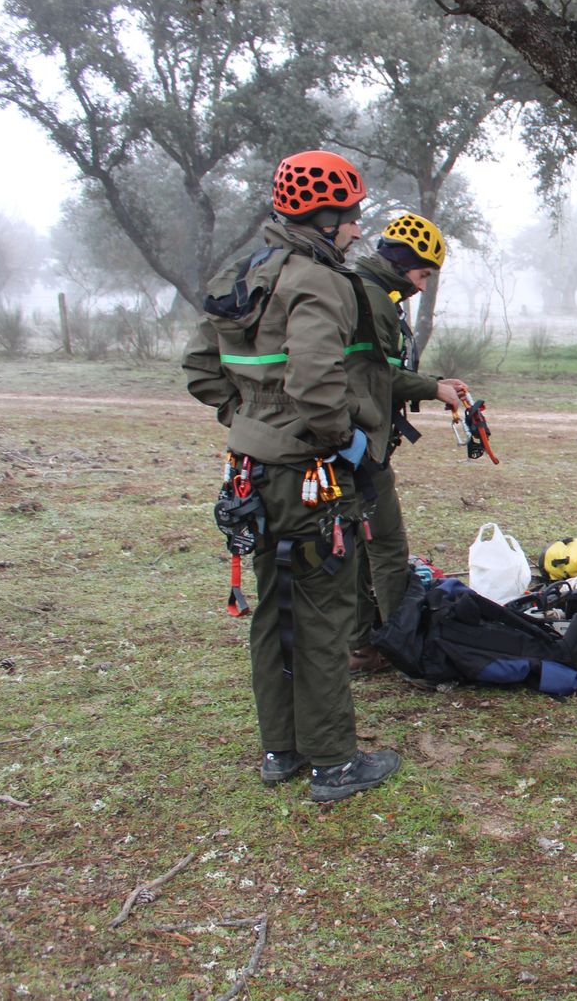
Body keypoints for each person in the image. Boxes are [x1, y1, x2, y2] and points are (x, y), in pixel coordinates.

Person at [183, 149, 402, 803]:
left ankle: (281, 751)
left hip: (250, 470)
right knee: (323, 612)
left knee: (273, 607)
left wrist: (250, 418)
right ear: (326, 217)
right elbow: (314, 384)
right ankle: (334, 763)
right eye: (353, 219)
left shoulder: (242, 270)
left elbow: (200, 367)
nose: (360, 231)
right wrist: (347, 443)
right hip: (310, 474)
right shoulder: (317, 281)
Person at [347, 213, 470, 675]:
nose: (421, 287)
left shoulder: (374, 292)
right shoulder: (372, 298)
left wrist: (430, 382)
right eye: (421, 275)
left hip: (356, 439)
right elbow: (373, 375)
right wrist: (431, 388)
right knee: (385, 544)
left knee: (359, 544)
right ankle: (400, 642)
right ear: (402, 263)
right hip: (359, 444)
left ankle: (363, 643)